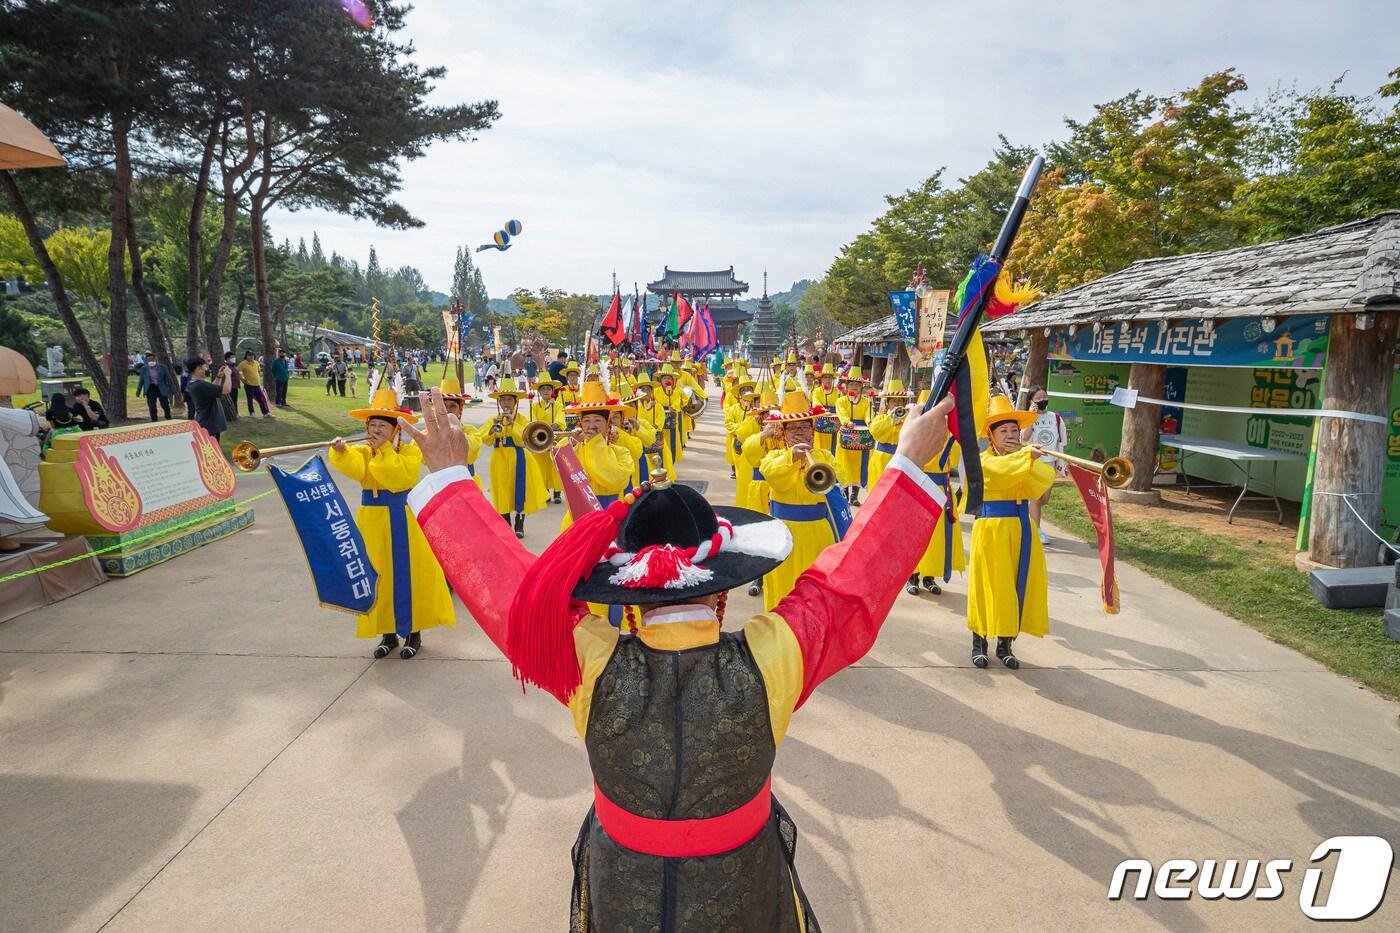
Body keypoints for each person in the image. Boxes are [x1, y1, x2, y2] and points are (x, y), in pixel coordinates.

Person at [398, 387, 954, 932]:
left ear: (632, 604)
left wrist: (451, 478)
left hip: (622, 881)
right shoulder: (771, 657)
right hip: (743, 882)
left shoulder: (590, 665)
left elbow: (514, 594)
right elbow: (847, 586)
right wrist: (906, 460)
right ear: (722, 593)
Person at [328, 388, 454, 659]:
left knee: (411, 575)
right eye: (371, 425)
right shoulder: (364, 452)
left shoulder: (409, 452)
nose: (375, 431)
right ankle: (387, 634)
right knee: (378, 576)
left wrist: (382, 449)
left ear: (395, 429)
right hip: (372, 521)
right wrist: (341, 451)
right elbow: (355, 469)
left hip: (403, 519)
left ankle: (413, 633)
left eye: (381, 426)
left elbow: (397, 478)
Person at [967, 394, 1055, 670]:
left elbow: (1040, 485)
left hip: (1021, 529)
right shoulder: (982, 461)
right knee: (987, 586)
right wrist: (1025, 456)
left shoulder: (1022, 460)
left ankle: (1006, 644)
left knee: (1018, 585)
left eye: (1014, 430)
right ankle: (978, 642)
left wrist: (1028, 458)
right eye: (1003, 430)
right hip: (991, 529)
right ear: (990, 436)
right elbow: (998, 472)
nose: (1010, 434)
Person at [757, 388, 843, 611]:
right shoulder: (774, 457)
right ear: (784, 433)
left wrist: (811, 461)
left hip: (818, 533)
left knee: (815, 591)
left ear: (812, 431)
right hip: (782, 533)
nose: (799, 433)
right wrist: (792, 457)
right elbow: (773, 475)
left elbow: (836, 481)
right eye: (793, 428)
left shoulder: (825, 457)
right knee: (783, 590)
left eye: (804, 427)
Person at [904, 389, 965, 597]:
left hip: (940, 487)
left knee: (936, 536)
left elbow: (955, 461)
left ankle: (930, 575)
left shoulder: (949, 436)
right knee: (915, 533)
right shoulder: (912, 432)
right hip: (917, 483)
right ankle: (912, 575)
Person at [474, 379, 546, 538]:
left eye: (509, 400)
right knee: (501, 490)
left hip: (519, 458)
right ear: (499, 402)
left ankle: (520, 523)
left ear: (515, 402)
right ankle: (506, 522)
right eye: (503, 399)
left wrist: (513, 424)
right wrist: (493, 429)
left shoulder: (522, 419)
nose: (506, 403)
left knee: (520, 490)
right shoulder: (494, 419)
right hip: (499, 459)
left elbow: (524, 439)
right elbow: (484, 439)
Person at [1022, 385, 1067, 545]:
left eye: (1044, 397)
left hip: (1050, 464)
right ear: (1032, 401)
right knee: (1035, 497)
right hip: (1034, 463)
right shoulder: (1028, 417)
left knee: (1044, 499)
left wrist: (1061, 464)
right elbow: (1024, 438)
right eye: (1038, 398)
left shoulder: (1055, 417)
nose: (1042, 401)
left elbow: (1062, 442)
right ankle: (1036, 530)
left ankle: (1029, 512)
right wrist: (1031, 417)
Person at [834, 365, 874, 504]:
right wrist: (846, 422)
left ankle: (855, 496)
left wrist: (869, 422)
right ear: (846, 386)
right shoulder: (841, 401)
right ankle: (844, 493)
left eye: (857, 385)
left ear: (861, 387)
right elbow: (842, 414)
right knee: (844, 465)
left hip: (860, 436)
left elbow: (869, 414)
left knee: (858, 466)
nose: (854, 387)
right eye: (852, 384)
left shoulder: (866, 402)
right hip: (846, 435)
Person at [530, 376, 566, 503]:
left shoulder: (557, 405)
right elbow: (533, 421)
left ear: (552, 391)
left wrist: (555, 424)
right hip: (539, 439)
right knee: (541, 467)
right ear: (539, 391)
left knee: (555, 466)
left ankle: (557, 492)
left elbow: (560, 420)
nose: (545, 391)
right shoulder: (534, 406)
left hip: (553, 438)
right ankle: (545, 492)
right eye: (543, 389)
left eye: (548, 389)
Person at [184, 357, 230, 441]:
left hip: (207, 423)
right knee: (212, 451)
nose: (207, 369)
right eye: (205, 367)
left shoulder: (193, 384)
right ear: (199, 369)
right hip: (209, 424)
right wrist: (228, 374)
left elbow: (212, 389)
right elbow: (226, 390)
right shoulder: (200, 385)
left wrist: (219, 377)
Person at [136, 353, 177, 421]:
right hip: (150, 389)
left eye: (152, 359)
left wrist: (173, 390)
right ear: (146, 360)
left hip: (161, 388)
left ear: (155, 359)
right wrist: (138, 390)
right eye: (149, 360)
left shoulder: (163, 367)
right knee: (152, 407)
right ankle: (154, 420)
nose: (151, 361)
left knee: (165, 405)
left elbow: (169, 379)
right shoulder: (144, 369)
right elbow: (141, 380)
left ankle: (168, 417)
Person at [237, 350, 272, 418]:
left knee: (261, 399)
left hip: (257, 385)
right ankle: (252, 413)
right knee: (250, 400)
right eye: (249, 355)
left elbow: (258, 371)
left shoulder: (256, 363)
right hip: (248, 385)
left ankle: (266, 413)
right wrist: (243, 379)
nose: (251, 357)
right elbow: (238, 372)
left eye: (252, 355)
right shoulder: (243, 363)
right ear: (246, 356)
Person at [219, 352, 241, 423]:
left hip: (235, 387)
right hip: (229, 387)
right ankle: (229, 416)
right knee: (229, 402)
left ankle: (235, 414)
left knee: (234, 401)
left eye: (234, 357)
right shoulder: (226, 367)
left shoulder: (234, 367)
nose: (234, 358)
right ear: (227, 359)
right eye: (232, 357)